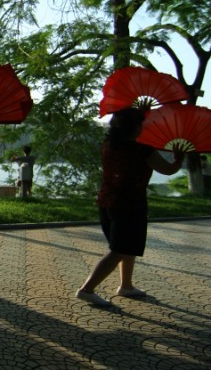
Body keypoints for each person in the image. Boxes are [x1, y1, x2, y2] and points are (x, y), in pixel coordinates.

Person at [76, 107, 184, 306]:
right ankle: (87, 289)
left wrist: (138, 114)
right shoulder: (142, 150)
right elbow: (167, 169)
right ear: (136, 127)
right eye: (141, 124)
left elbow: (125, 128)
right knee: (119, 249)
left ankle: (126, 285)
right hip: (130, 204)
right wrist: (179, 158)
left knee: (127, 247)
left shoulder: (109, 144)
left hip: (107, 201)